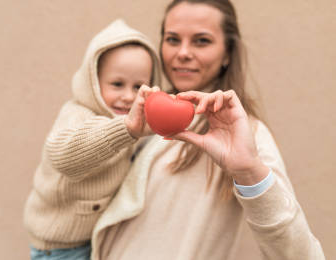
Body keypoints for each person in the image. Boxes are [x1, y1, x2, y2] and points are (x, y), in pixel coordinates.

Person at [90, 1, 325, 259]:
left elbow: (302, 255)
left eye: (201, 41)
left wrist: (249, 172)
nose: (183, 52)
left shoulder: (245, 134)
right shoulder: (141, 115)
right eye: (172, 39)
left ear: (227, 53)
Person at [23, 19, 162, 259]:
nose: (128, 96)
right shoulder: (77, 114)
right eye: (117, 84)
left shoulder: (131, 124)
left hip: (90, 240)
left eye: (138, 86)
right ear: (93, 81)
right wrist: (126, 129)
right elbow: (64, 155)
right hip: (59, 246)